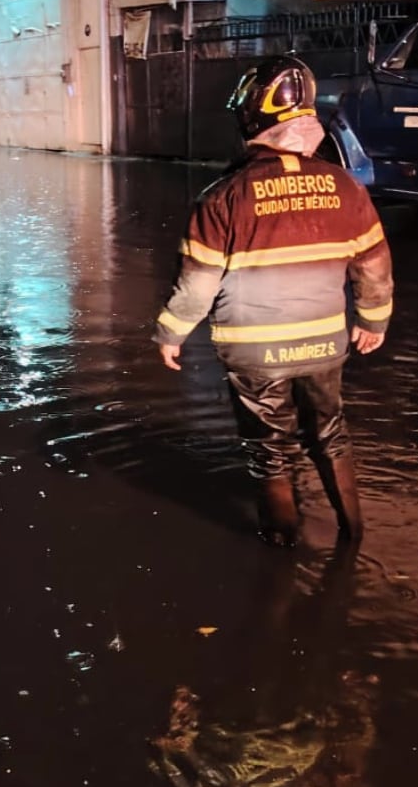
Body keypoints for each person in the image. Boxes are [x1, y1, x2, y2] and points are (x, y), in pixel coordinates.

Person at [153, 55, 395, 547]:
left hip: (254, 352)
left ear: (250, 119)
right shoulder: (346, 188)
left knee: (269, 448)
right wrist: (374, 321)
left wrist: (170, 333)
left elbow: (198, 283)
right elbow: (373, 266)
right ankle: (353, 533)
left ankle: (280, 549)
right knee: (331, 431)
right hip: (323, 342)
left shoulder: (222, 196)